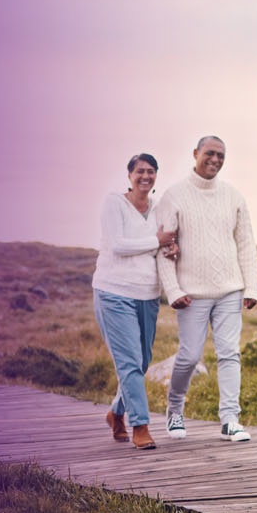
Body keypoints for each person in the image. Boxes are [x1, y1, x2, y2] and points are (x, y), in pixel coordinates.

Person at [152, 136, 257, 442]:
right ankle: (174, 411)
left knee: (229, 354)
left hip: (229, 291)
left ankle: (230, 419)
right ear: (196, 154)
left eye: (221, 155)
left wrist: (250, 287)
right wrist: (173, 291)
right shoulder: (174, 196)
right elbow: (164, 249)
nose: (215, 159)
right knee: (188, 356)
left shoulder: (234, 196)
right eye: (209, 153)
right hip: (191, 295)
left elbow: (246, 244)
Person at [95, 153, 167, 450]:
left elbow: (166, 244)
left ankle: (116, 413)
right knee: (129, 363)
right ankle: (140, 426)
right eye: (140, 171)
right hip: (114, 292)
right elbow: (118, 245)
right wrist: (158, 241)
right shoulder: (115, 203)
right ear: (129, 175)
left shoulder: (159, 209)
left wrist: (170, 248)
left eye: (151, 172)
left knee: (142, 362)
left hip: (148, 295)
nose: (145, 177)